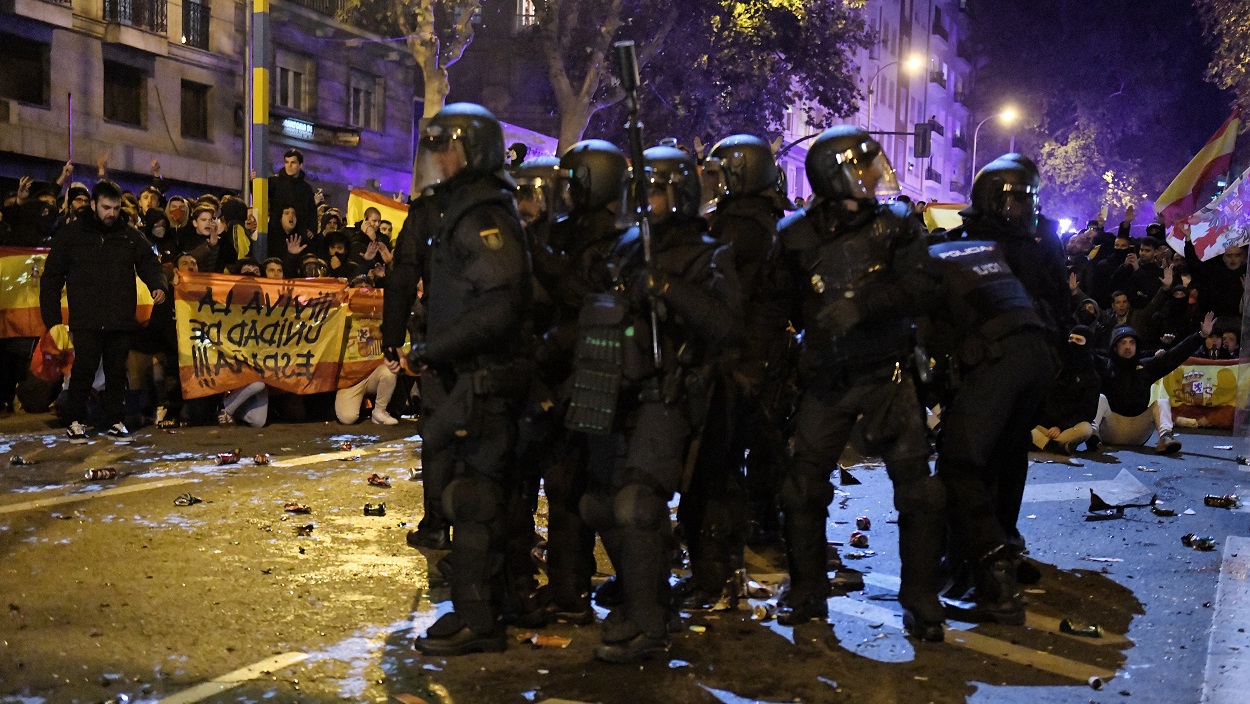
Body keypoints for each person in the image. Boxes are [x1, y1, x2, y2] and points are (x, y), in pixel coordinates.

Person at [772, 126, 944, 641]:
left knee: (919, 494)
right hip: (827, 376)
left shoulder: (896, 225)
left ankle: (921, 598)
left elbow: (923, 285)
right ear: (833, 175)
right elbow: (775, 305)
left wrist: (862, 305)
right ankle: (806, 594)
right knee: (802, 489)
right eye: (862, 167)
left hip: (889, 374)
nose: (873, 176)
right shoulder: (795, 234)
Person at [569, 145, 740, 662]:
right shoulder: (622, 247)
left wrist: (666, 286)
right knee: (596, 502)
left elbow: (725, 326)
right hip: (615, 388)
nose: (646, 201)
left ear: (681, 193)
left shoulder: (709, 251)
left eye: (657, 191)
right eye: (639, 191)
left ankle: (649, 626)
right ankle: (650, 597)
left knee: (638, 504)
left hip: (670, 392)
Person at [405, 103, 533, 657]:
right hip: (466, 378)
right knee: (467, 496)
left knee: (475, 499)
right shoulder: (461, 207)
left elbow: (499, 304)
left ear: (473, 150)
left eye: (448, 147)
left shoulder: (484, 215)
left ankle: (480, 620)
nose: (440, 159)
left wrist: (436, 348)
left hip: (486, 380)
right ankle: (481, 608)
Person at [678, 134, 791, 609]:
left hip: (736, 364)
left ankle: (717, 578)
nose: (714, 183)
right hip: (753, 363)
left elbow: (722, 301)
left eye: (720, 174)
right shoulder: (758, 222)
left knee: (715, 474)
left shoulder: (740, 227)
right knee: (724, 471)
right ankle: (722, 572)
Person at [39, 180, 167, 443]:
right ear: (94, 204)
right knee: (83, 370)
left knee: (116, 373)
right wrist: (52, 320)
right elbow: (51, 277)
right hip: (86, 318)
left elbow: (148, 263)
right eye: (107, 207)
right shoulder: (72, 235)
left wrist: (158, 285)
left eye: (116, 208)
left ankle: (116, 421)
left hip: (119, 317)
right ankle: (75, 420)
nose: (112, 213)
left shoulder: (130, 235)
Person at [1093, 315, 1213, 454]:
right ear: (1115, 347)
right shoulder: (1105, 366)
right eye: (1123, 343)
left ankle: (1166, 437)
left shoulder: (1146, 367)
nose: (1128, 347)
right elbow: (1082, 353)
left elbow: (1174, 356)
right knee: (1100, 398)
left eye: (1132, 342)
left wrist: (1201, 335)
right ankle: (1091, 434)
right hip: (1109, 431)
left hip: (1138, 432)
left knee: (1161, 402)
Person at [1031, 325, 1101, 454]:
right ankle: (1056, 445)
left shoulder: (1091, 377)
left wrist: (1061, 426)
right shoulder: (1057, 367)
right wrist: (1051, 424)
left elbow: (1087, 412)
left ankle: (1044, 443)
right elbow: (1045, 399)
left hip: (1069, 426)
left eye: (1078, 341)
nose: (1073, 343)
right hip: (1046, 425)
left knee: (1085, 429)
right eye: (1071, 339)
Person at [268, 148, 318, 250]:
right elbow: (260, 195)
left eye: (293, 162)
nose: (289, 166)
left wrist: (312, 229)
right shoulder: (274, 182)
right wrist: (253, 182)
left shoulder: (306, 188)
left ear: (300, 165)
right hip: (276, 236)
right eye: (287, 162)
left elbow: (312, 211)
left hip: (299, 237)